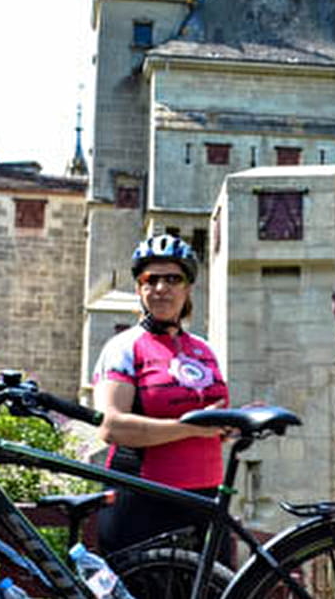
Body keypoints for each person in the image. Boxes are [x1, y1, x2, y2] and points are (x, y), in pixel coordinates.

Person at [93, 234, 229, 556]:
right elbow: (111, 427)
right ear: (139, 288)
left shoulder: (203, 349)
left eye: (173, 279)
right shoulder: (124, 347)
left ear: (188, 288)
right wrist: (190, 428)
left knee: (218, 584)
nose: (161, 288)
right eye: (150, 279)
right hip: (142, 499)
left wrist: (233, 423)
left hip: (205, 499)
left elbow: (212, 425)